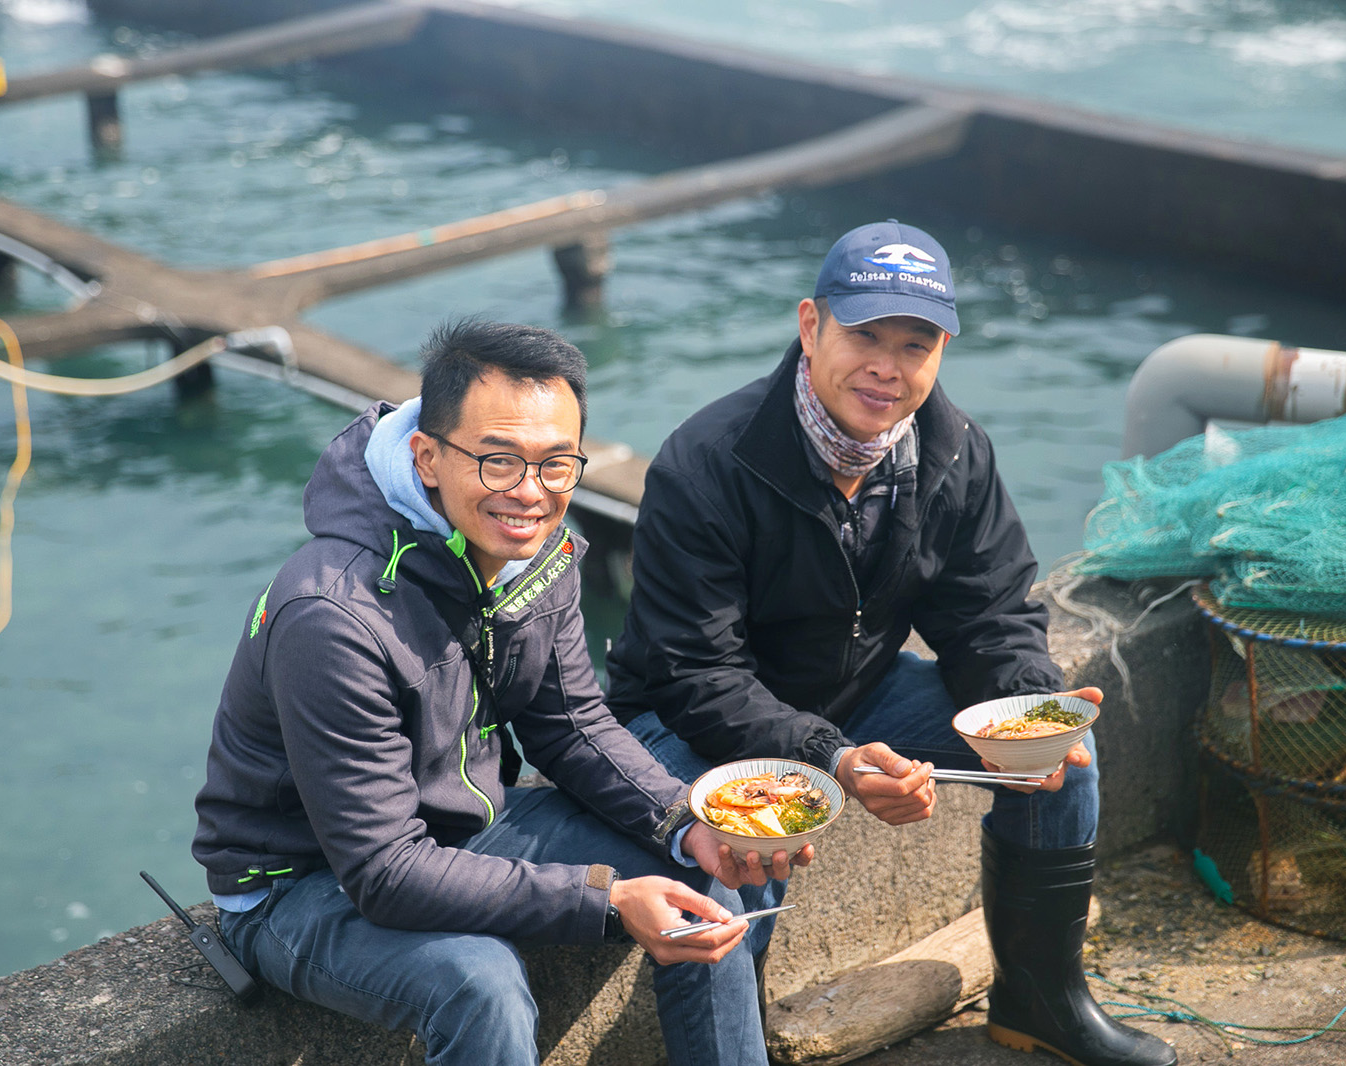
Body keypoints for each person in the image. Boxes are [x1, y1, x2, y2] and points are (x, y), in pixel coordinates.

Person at [606, 221, 1176, 1066]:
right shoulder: (706, 462)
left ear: (941, 352)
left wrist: (1031, 705)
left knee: (1061, 753)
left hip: (852, 695)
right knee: (738, 846)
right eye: (864, 334)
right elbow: (698, 674)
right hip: (683, 720)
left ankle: (1041, 1003)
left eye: (915, 343)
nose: (887, 365)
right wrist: (831, 758)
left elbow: (988, 615)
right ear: (810, 326)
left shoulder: (954, 450)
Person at [192, 318, 802, 1066]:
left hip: (456, 825)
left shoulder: (535, 550)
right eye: (497, 461)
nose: (531, 495)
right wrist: (606, 899)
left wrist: (685, 822)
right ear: (427, 459)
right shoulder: (333, 616)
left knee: (699, 866)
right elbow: (383, 873)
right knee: (479, 984)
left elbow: (572, 723)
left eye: (556, 464)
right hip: (301, 880)